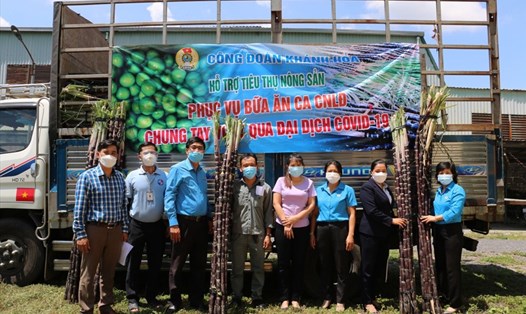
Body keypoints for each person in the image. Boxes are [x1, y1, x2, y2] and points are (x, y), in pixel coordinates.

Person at [72, 139, 130, 314]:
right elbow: (79, 208)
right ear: (98, 155)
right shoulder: (87, 177)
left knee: (109, 270)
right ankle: (86, 308)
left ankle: (105, 304)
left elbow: (123, 206)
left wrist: (125, 229)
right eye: (106, 152)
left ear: (118, 156)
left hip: (116, 230)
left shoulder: (120, 177)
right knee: (88, 273)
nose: (110, 156)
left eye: (114, 152)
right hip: (94, 230)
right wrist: (80, 234)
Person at [164, 136, 212, 313]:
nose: (197, 151)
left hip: (200, 224)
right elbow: (169, 196)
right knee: (177, 263)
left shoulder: (202, 171)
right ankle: (174, 300)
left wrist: (209, 218)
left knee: (199, 264)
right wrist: (173, 223)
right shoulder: (178, 169)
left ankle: (196, 300)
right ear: (187, 150)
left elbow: (203, 197)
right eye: (193, 147)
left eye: (200, 148)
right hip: (183, 223)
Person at [359, 159, 407, 314]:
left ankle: (372, 296)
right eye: (377, 170)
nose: (381, 173)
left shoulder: (386, 188)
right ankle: (366, 302)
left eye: (383, 171)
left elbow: (387, 208)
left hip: (383, 234)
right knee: (368, 268)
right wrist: (391, 220)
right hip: (370, 233)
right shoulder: (367, 188)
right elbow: (371, 211)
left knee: (379, 266)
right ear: (371, 172)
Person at [124, 142, 167, 312]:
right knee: (132, 262)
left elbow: (168, 200)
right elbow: (126, 202)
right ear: (139, 156)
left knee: (155, 263)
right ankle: (132, 297)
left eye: (153, 152)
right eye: (146, 152)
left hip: (157, 226)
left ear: (157, 155)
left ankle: (151, 296)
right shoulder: (132, 176)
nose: (150, 155)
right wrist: (126, 227)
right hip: (136, 226)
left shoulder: (164, 175)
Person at [310, 160, 357, 312]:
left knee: (341, 264)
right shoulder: (319, 190)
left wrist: (350, 235)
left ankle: (340, 300)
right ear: (325, 173)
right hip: (322, 228)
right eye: (329, 171)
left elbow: (352, 214)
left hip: (340, 228)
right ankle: (327, 297)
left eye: (335, 171)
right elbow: (314, 214)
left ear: (340, 173)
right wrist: (312, 233)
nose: (332, 174)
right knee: (325, 264)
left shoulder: (347, 190)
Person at [272, 153, 317, 310]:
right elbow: (276, 203)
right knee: (283, 263)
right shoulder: (280, 181)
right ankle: (284, 297)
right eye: (293, 165)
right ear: (287, 167)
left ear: (302, 166)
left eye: (298, 164)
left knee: (299, 263)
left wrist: (295, 218)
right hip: (282, 227)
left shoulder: (309, 183)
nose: (295, 167)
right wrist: (286, 222)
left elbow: (311, 205)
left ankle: (296, 297)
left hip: (302, 228)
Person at [421, 162, 466, 314]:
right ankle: (445, 294)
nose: (444, 175)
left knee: (452, 267)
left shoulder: (457, 190)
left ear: (453, 174)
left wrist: (435, 218)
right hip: (439, 231)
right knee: (440, 265)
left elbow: (454, 211)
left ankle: (456, 303)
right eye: (441, 172)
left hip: (452, 231)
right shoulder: (440, 191)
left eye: (447, 172)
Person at [230, 153, 273, 308]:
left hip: (258, 234)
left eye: (252, 165)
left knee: (258, 268)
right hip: (238, 233)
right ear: (240, 168)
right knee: (237, 268)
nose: (249, 168)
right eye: (246, 165)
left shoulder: (265, 187)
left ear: (257, 166)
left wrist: (268, 234)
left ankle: (257, 297)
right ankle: (237, 296)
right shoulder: (234, 187)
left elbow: (269, 212)